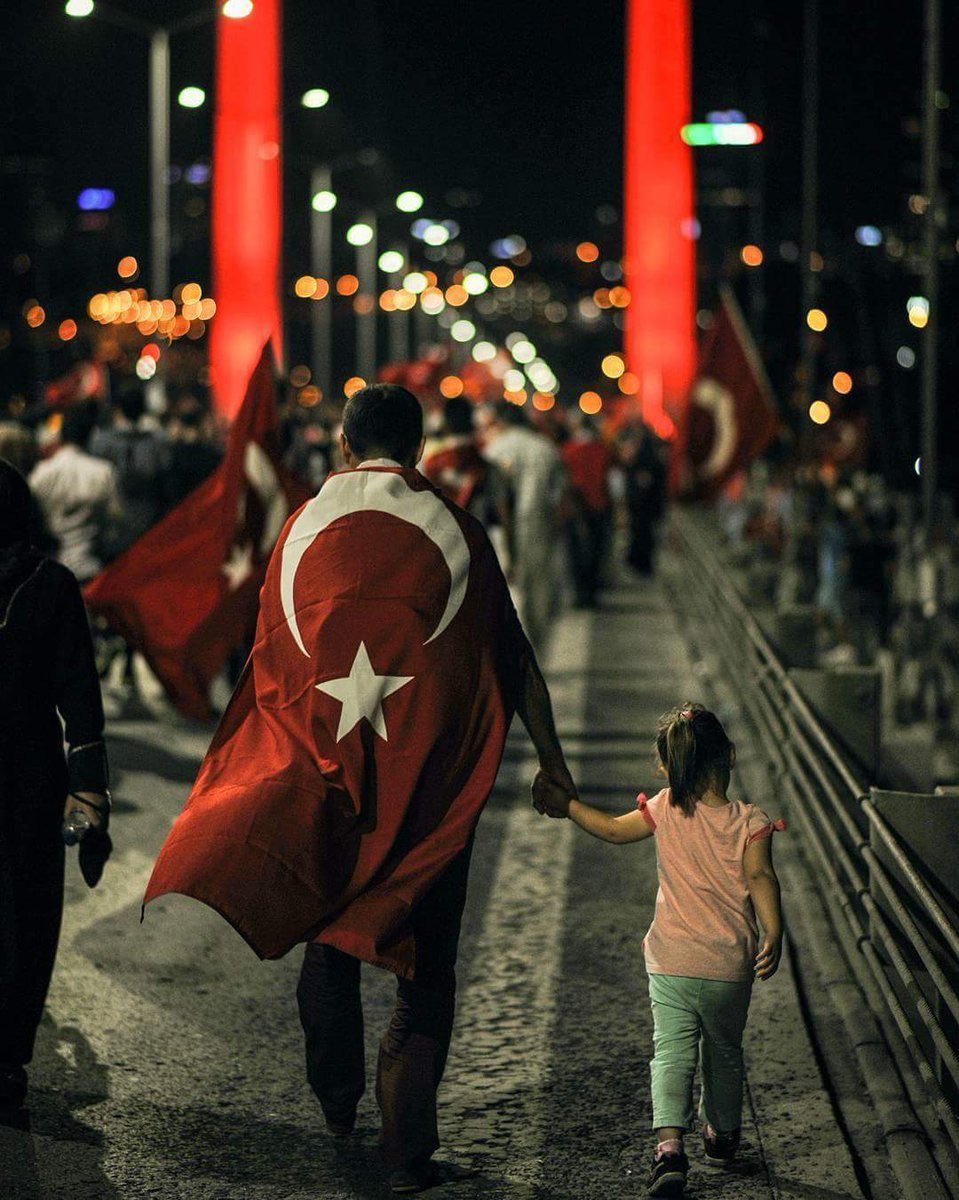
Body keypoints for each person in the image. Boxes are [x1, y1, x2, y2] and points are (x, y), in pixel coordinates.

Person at [143, 384, 576, 1194]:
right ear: (416, 448)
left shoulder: (302, 530)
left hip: (325, 771)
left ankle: (337, 1103)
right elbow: (511, 658)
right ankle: (406, 1145)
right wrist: (553, 762)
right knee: (427, 968)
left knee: (329, 931)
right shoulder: (459, 530)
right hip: (431, 784)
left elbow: (270, 660)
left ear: (344, 444)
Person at [535, 703, 785, 1198]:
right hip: (728, 966)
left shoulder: (666, 808)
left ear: (671, 766)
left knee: (670, 1054)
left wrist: (567, 806)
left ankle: (670, 1150)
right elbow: (761, 876)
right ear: (730, 757)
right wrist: (774, 931)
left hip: (670, 962)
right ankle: (723, 1135)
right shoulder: (748, 820)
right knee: (724, 1051)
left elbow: (609, 829)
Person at [0, 460, 112, 1112]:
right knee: (30, 912)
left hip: (28, 774)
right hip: (31, 774)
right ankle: (9, 1056)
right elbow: (81, 699)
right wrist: (90, 790)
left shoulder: (49, 586)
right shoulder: (52, 585)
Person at [483, 401, 567, 649]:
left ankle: (520, 655)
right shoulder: (545, 447)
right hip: (541, 525)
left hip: (504, 530)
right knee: (540, 591)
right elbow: (561, 495)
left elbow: (494, 500)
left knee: (512, 592)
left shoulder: (496, 449)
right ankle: (539, 652)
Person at [29, 400, 124, 584]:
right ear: (89, 436)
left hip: (52, 570)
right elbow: (116, 525)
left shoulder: (40, 475)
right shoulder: (103, 472)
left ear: (62, 436)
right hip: (93, 570)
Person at [90, 383, 170, 552]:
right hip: (149, 521)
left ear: (118, 409)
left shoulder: (102, 443)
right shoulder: (157, 441)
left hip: (117, 523)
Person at [421, 395, 509, 529]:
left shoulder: (430, 463)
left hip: (443, 540)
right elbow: (501, 513)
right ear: (473, 423)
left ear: (445, 425)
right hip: (480, 540)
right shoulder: (487, 465)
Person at [560, 413, 615, 608]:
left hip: (575, 508)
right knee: (595, 551)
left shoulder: (567, 450)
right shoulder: (603, 449)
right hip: (599, 507)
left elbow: (565, 482)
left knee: (576, 552)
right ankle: (591, 593)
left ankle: (579, 593)